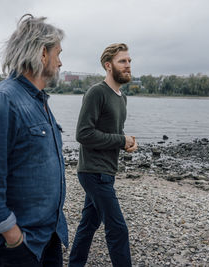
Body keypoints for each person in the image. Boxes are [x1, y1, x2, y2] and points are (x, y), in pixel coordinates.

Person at [0, 14, 68, 267]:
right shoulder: (3, 101)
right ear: (43, 54)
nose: (61, 62)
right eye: (58, 54)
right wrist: (12, 236)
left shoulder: (38, 100)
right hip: (20, 244)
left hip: (49, 235)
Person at [68, 43, 137, 267]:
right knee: (117, 228)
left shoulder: (121, 98)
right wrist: (119, 140)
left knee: (88, 225)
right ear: (108, 66)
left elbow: (112, 132)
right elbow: (83, 133)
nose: (128, 65)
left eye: (129, 61)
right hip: (93, 172)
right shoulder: (97, 92)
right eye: (122, 61)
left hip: (106, 171)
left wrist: (126, 142)